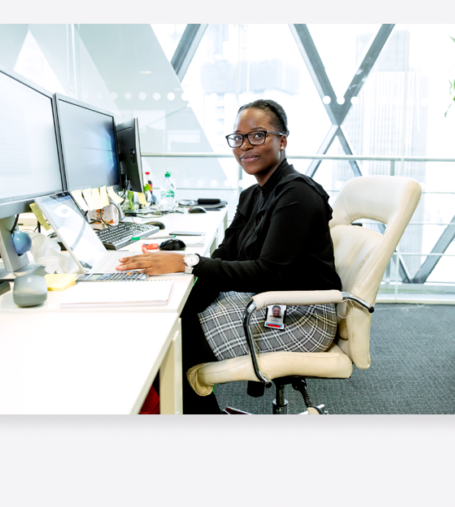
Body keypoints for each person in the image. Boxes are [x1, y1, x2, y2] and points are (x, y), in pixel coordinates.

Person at [116, 99, 342, 414]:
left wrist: (186, 263)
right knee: (175, 313)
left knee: (176, 337)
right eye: (238, 138)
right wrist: (180, 270)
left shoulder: (297, 195)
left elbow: (268, 272)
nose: (245, 146)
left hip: (302, 316)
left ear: (283, 140)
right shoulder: (252, 195)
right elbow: (226, 254)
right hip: (269, 300)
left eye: (257, 135)